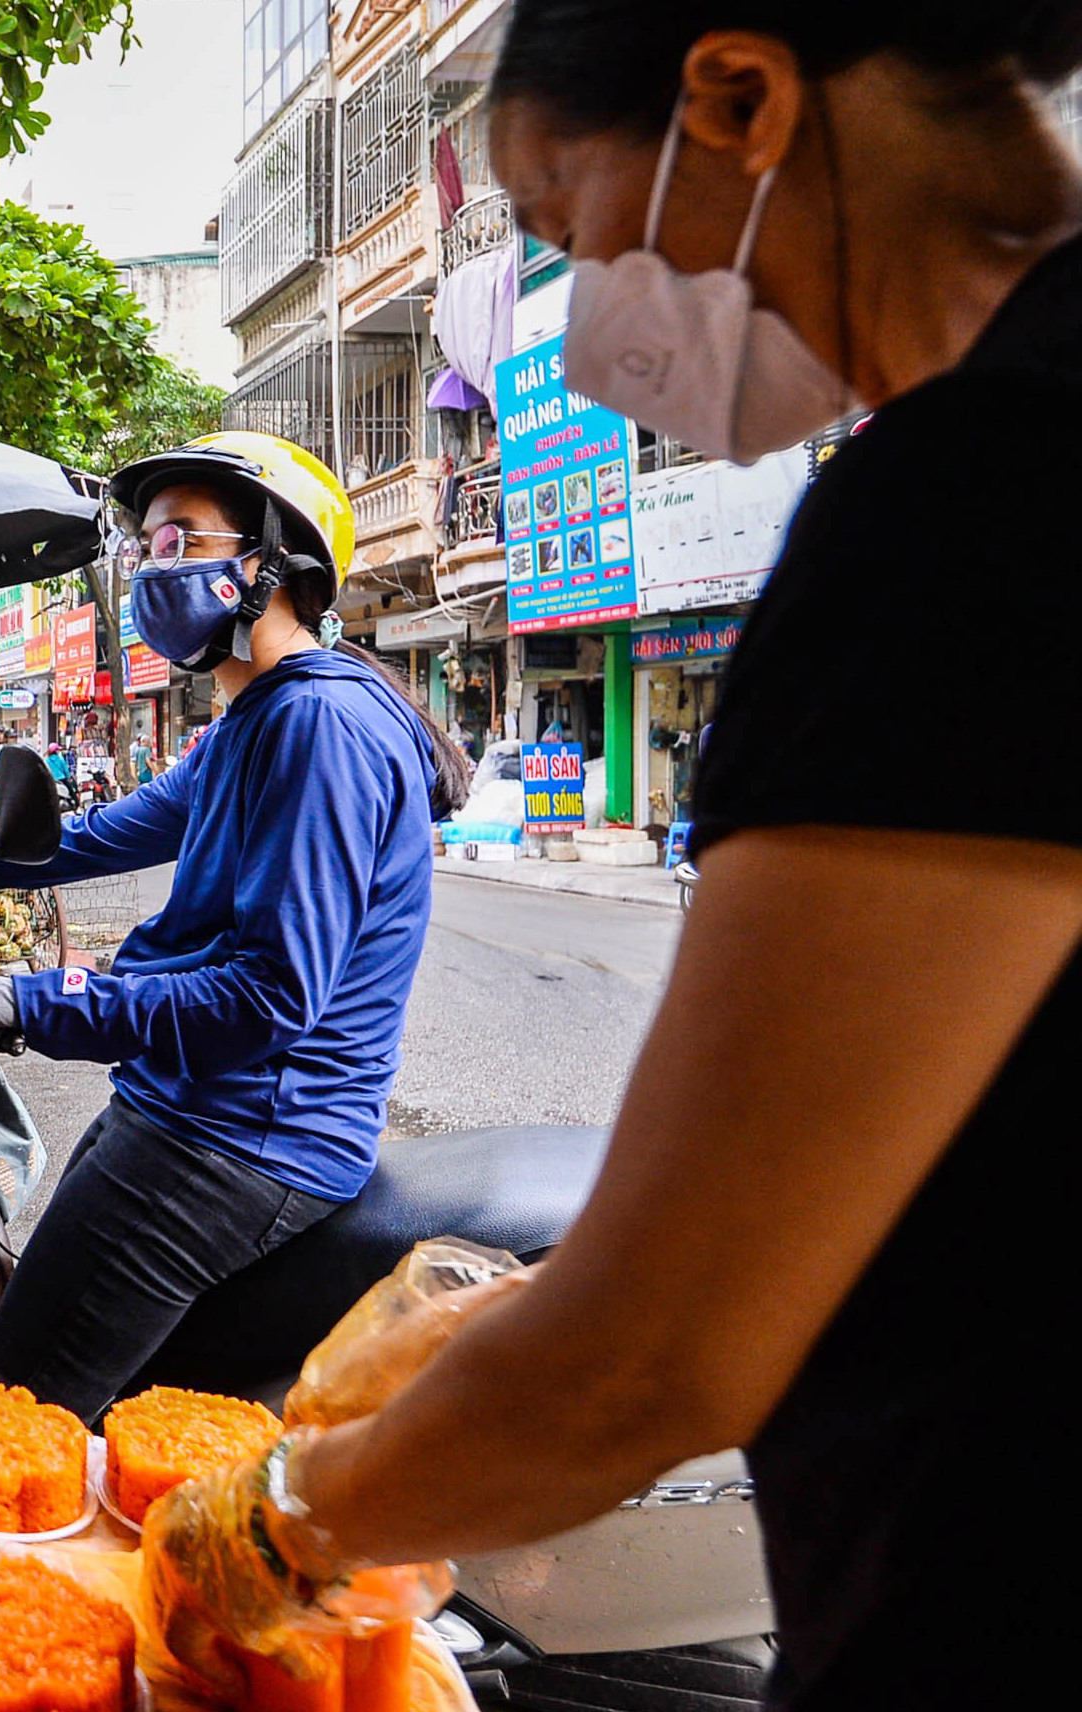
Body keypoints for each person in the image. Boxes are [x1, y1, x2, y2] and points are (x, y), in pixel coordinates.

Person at [158, 14, 1082, 1712]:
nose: (571, 327)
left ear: (737, 98)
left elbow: (655, 1346)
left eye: (569, 230)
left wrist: (284, 1516)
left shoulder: (975, 505)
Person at [0, 432, 473, 1418]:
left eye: (177, 542)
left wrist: (22, 997)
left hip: (243, 1132)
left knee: (0, 1421)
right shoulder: (248, 727)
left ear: (266, 562)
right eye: (145, 548)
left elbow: (267, 996)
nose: (150, 568)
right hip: (192, 1108)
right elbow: (83, 839)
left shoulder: (316, 727)